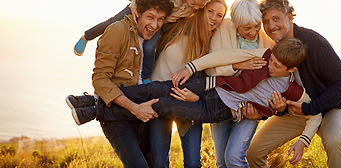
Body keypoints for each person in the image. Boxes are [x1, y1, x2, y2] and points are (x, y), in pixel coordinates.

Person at [70, 38, 321, 166]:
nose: (270, 65)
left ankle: (95, 110)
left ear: (291, 70)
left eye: (277, 66)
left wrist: (303, 140)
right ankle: (95, 100)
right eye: (272, 60)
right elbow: (224, 55)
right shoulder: (266, 55)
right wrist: (192, 68)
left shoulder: (293, 90)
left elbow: (315, 114)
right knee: (160, 87)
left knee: (162, 106)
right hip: (211, 86)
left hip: (216, 108)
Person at [67, 0, 174, 168]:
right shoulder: (117, 31)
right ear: (136, 13)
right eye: (150, 17)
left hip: (145, 109)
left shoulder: (155, 37)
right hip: (117, 115)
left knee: (159, 165)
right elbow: (100, 79)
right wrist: (135, 108)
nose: (155, 25)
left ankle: (91, 105)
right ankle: (96, 106)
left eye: (160, 19)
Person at [246, 0, 341, 168]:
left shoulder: (315, 42)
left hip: (329, 108)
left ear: (289, 17)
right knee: (254, 152)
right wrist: (279, 109)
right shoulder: (271, 47)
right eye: (266, 21)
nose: (271, 26)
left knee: (335, 141)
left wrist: (309, 108)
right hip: (295, 112)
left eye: (276, 18)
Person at [173, 0, 274, 168]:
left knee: (234, 157)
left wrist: (261, 111)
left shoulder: (268, 44)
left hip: (248, 107)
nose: (252, 32)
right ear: (235, 23)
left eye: (257, 26)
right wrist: (237, 65)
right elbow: (212, 68)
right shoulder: (224, 29)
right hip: (220, 99)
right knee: (221, 161)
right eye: (246, 28)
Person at [73, 0, 213, 83]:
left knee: (150, 47)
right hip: (140, 8)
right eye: (193, 4)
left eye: (199, 6)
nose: (195, 8)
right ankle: (86, 37)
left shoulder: (196, 2)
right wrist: (134, 6)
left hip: (158, 22)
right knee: (111, 23)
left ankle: (145, 77)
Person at [147, 0, 227, 168]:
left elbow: (214, 78)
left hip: (188, 104)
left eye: (219, 15)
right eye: (210, 11)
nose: (213, 18)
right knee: (158, 162)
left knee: (192, 162)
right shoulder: (179, 25)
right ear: (201, 10)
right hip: (157, 100)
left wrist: (198, 99)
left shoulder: (215, 43)